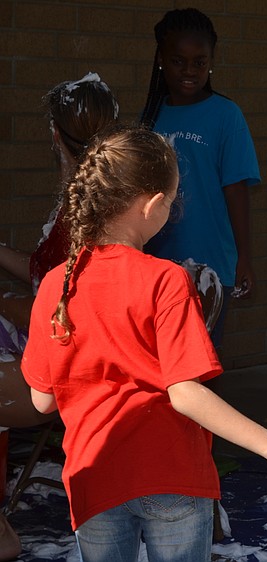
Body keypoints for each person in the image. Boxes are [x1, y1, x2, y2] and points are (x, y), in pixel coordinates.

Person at [20, 125, 267, 562]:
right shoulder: (165, 279)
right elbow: (185, 392)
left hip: (93, 479)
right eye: (171, 201)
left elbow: (42, 401)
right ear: (152, 205)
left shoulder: (57, 285)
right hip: (170, 475)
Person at [0, 73, 119, 562]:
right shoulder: (105, 200)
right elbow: (46, 277)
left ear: (54, 134)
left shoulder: (83, 213)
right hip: (83, 360)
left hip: (68, 375)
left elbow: (55, 314)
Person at [139, 7, 260, 347]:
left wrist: (244, 259)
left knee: (202, 361)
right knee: (157, 360)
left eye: (199, 62)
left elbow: (236, 191)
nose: (189, 71)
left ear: (211, 62)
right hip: (156, 260)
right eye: (179, 61)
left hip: (209, 261)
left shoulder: (225, 115)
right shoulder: (151, 115)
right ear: (161, 59)